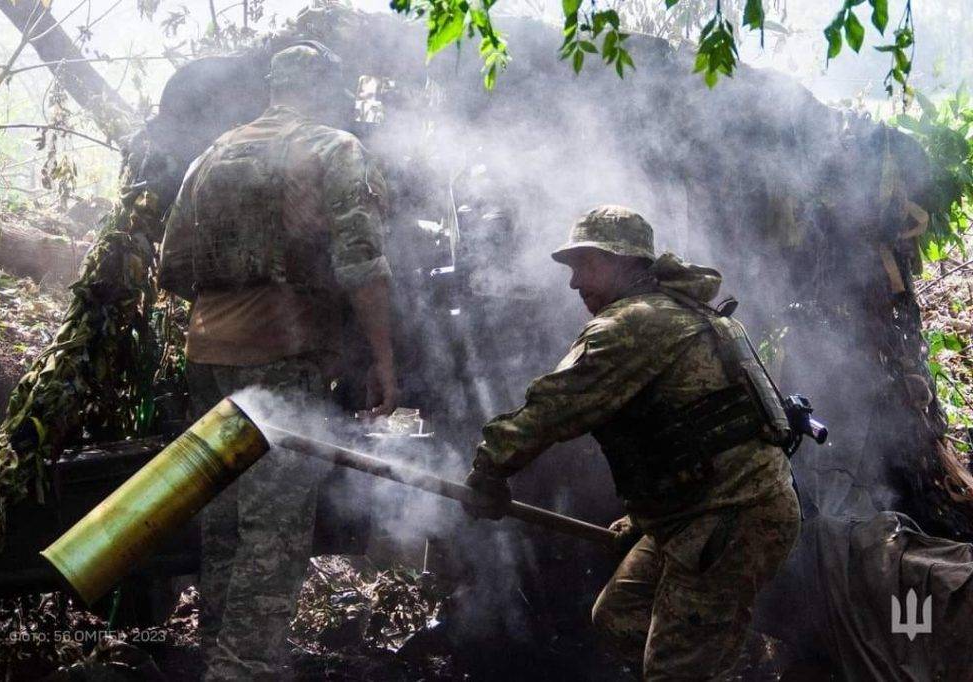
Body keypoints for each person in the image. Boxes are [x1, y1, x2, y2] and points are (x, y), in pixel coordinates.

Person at [463, 205, 800, 680]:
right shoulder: (675, 311)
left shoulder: (632, 323)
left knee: (676, 671)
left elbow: (552, 409)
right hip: (697, 510)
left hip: (733, 513)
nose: (574, 282)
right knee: (620, 619)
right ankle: (714, 654)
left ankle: (710, 659)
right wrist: (645, 519)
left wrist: (488, 472)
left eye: (585, 264)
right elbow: (691, 437)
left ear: (623, 261)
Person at [158, 43, 397, 681]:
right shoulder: (333, 149)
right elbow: (363, 265)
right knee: (275, 525)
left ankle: (219, 659)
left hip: (207, 354)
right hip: (283, 357)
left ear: (274, 87)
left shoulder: (212, 155)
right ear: (326, 89)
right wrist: (383, 359)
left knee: (225, 519)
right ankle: (246, 670)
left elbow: (172, 268)